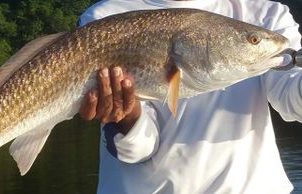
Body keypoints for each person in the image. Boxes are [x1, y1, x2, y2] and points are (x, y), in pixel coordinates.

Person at [78, 0, 302, 193]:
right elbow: (138, 150)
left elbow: (293, 102)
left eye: (253, 40)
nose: (257, 43)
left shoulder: (266, 15)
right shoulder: (105, 18)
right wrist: (126, 118)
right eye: (253, 41)